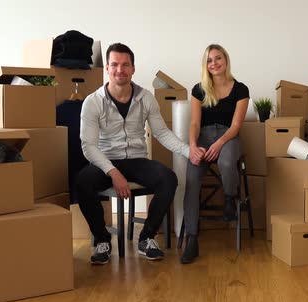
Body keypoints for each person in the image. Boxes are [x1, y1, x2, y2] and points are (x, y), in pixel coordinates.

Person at [77, 43, 201, 265]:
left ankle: (146, 237)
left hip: (137, 159)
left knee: (168, 178)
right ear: (107, 68)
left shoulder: (146, 98)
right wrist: (113, 172)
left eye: (125, 65)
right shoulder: (92, 102)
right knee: (82, 182)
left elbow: (162, 133)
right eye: (114, 64)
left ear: (133, 69)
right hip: (106, 160)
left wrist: (187, 151)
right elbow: (89, 146)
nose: (120, 70)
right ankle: (102, 240)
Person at [181, 44, 250, 264]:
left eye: (218, 58)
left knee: (228, 162)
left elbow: (236, 125)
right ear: (206, 65)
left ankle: (230, 198)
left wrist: (220, 143)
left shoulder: (240, 89)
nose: (214, 63)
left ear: (226, 60)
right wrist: (192, 146)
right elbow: (194, 122)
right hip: (203, 137)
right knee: (192, 179)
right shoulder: (198, 89)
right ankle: (192, 238)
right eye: (209, 60)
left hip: (228, 137)